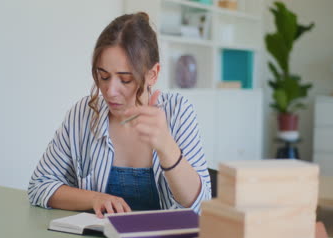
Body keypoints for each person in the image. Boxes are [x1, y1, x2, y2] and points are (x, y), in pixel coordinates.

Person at [28, 12, 211, 218]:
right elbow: (40, 185)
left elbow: (200, 207)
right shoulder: (83, 114)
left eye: (125, 80)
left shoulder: (178, 113)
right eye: (103, 76)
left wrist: (166, 146)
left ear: (153, 74)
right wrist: (94, 198)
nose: (110, 90)